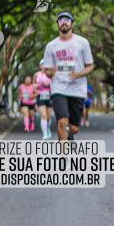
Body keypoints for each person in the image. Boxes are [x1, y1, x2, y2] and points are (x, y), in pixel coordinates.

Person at [42, 11, 95, 141]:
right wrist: (51, 73)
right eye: (61, 20)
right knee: (62, 122)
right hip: (58, 88)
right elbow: (47, 70)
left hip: (77, 90)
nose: (64, 22)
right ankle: (63, 156)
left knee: (73, 128)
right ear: (58, 24)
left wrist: (79, 74)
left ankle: (67, 138)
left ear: (72, 23)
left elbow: (90, 65)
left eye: (67, 19)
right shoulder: (51, 46)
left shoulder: (82, 42)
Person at [34, 60, 54, 139]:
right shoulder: (36, 75)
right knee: (43, 115)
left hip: (49, 96)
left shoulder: (51, 75)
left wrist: (49, 84)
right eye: (42, 64)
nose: (43, 66)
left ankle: (48, 128)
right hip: (40, 96)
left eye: (45, 64)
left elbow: (55, 84)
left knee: (48, 117)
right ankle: (45, 133)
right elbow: (33, 85)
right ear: (40, 66)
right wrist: (36, 89)